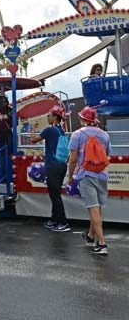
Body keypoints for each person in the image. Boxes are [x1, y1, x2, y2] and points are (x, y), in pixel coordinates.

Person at [67, 106, 111, 255]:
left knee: (92, 208)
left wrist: (69, 177)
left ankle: (102, 244)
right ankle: (91, 236)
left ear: (84, 119)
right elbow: (107, 155)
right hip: (103, 175)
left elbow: (73, 160)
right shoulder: (105, 135)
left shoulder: (77, 135)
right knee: (97, 209)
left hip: (86, 174)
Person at [29, 106, 69, 232]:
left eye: (49, 115)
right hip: (62, 165)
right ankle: (54, 219)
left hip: (53, 166)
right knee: (54, 194)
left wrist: (33, 127)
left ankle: (63, 222)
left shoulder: (49, 130)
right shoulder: (61, 130)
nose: (48, 117)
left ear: (55, 117)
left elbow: (33, 140)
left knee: (55, 195)